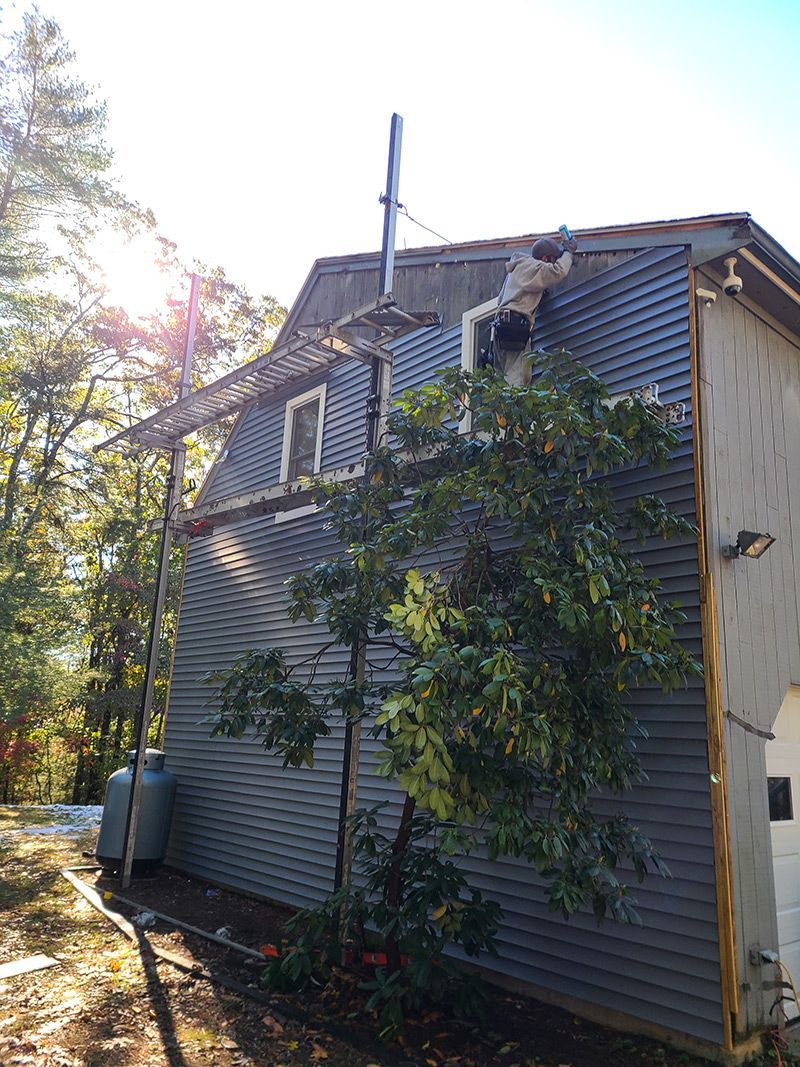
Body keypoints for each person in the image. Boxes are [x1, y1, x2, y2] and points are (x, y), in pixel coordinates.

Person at [485, 234, 578, 385]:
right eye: (554, 259)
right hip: (515, 328)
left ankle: (499, 406)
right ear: (546, 258)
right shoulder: (535, 267)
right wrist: (568, 252)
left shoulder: (517, 269)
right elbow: (558, 271)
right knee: (518, 379)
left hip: (500, 329)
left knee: (501, 378)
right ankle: (513, 407)